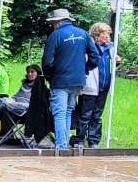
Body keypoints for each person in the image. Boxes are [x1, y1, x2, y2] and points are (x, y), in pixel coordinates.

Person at [42, 8, 97, 150]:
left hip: (60, 81)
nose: (53, 26)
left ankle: (61, 146)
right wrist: (85, 69)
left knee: (59, 113)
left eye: (53, 23)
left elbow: (47, 62)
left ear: (58, 22)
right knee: (67, 112)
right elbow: (95, 57)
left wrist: (49, 76)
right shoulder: (83, 34)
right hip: (78, 81)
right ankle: (64, 144)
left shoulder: (55, 35)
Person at [75, 22, 117, 147]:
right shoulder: (88, 48)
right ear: (97, 35)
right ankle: (80, 139)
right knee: (85, 114)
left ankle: (93, 140)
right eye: (105, 34)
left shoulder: (111, 49)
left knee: (97, 115)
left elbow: (110, 67)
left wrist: (117, 62)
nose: (108, 37)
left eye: (109, 34)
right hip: (90, 87)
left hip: (104, 87)